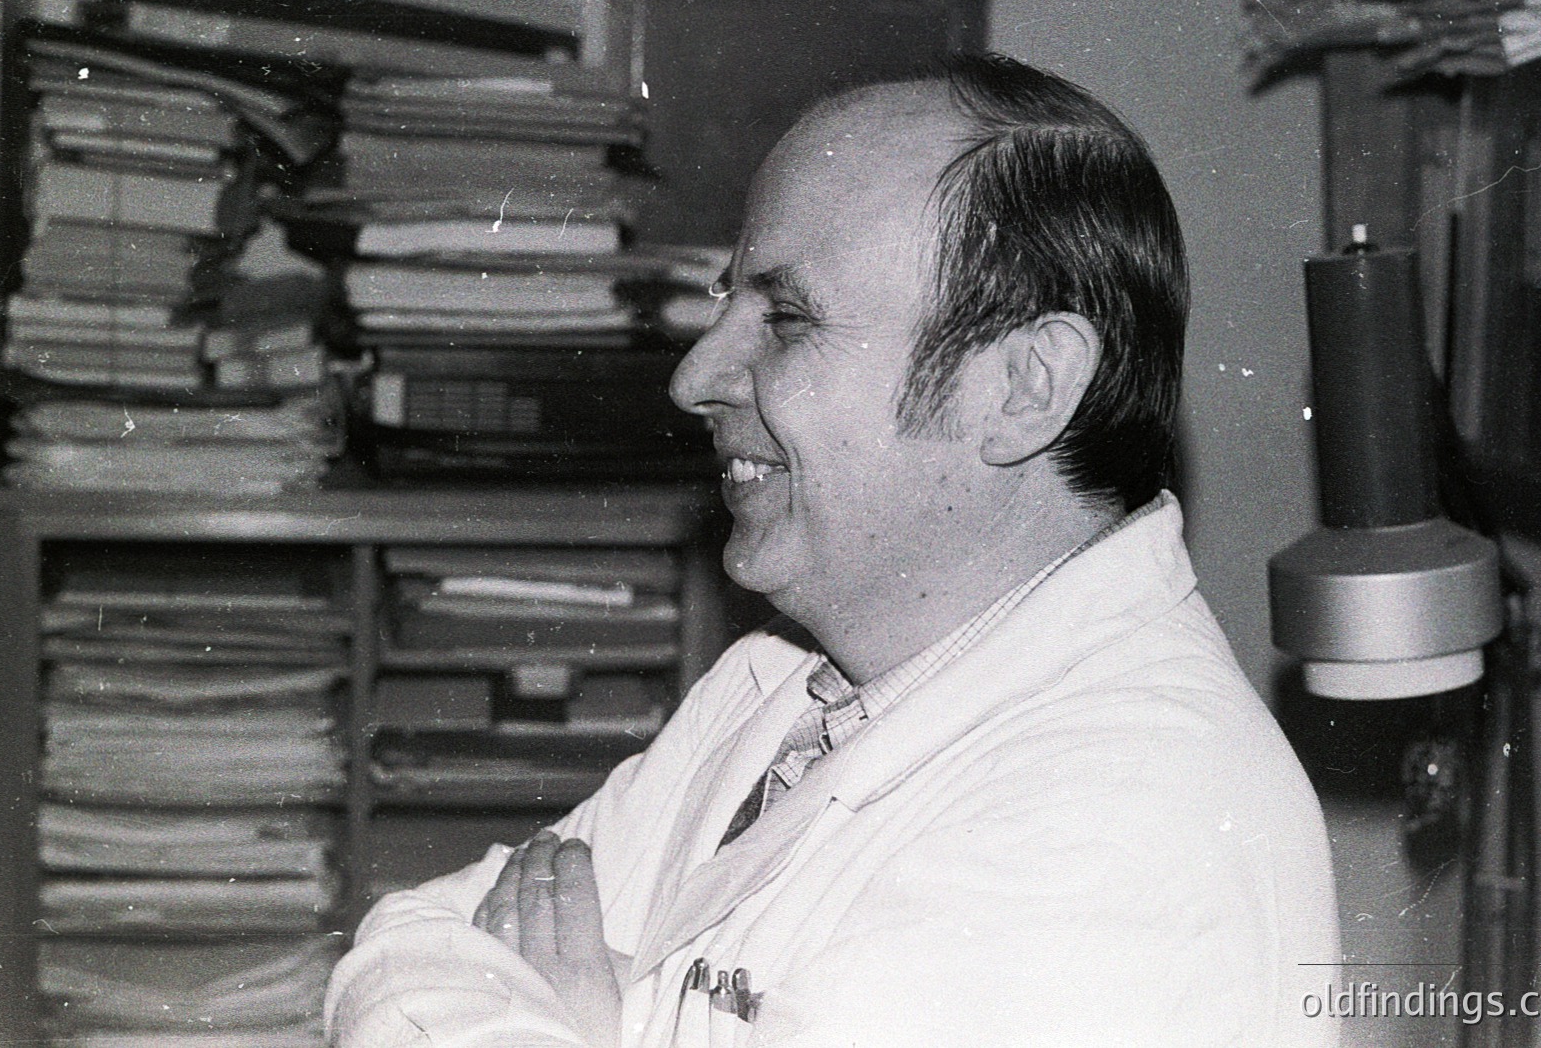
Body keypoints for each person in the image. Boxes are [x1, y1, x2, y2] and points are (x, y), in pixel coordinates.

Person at [325, 53, 1340, 1047]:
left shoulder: (1118, 837)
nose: (694, 377)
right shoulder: (786, 681)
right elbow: (410, 943)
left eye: (789, 320)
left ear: (1024, 387)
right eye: (729, 304)